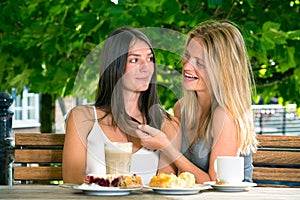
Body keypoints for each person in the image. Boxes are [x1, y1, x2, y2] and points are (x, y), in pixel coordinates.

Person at [136, 20, 258, 184]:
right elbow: (169, 177)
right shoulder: (182, 108)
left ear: (221, 70)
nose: (186, 67)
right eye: (187, 57)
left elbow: (217, 185)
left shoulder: (226, 115)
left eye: (199, 63)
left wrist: (167, 147)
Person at [62, 26, 180, 184]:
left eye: (150, 59)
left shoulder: (167, 124)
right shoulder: (82, 118)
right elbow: (72, 182)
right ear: (115, 66)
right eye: (134, 60)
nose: (146, 67)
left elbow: (164, 187)